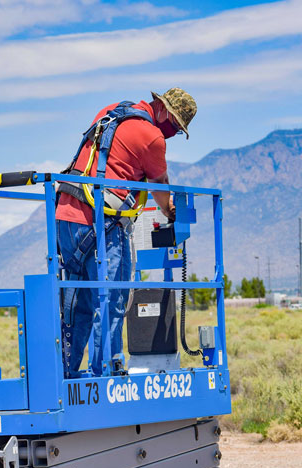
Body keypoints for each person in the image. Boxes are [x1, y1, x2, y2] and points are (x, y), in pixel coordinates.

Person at [56, 88, 197, 377]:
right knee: (112, 299)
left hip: (66, 215)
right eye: (176, 126)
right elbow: (160, 185)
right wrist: (170, 210)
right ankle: (105, 372)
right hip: (102, 222)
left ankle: (65, 372)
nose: (172, 132)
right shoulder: (153, 137)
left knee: (78, 303)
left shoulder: (111, 112)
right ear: (165, 111)